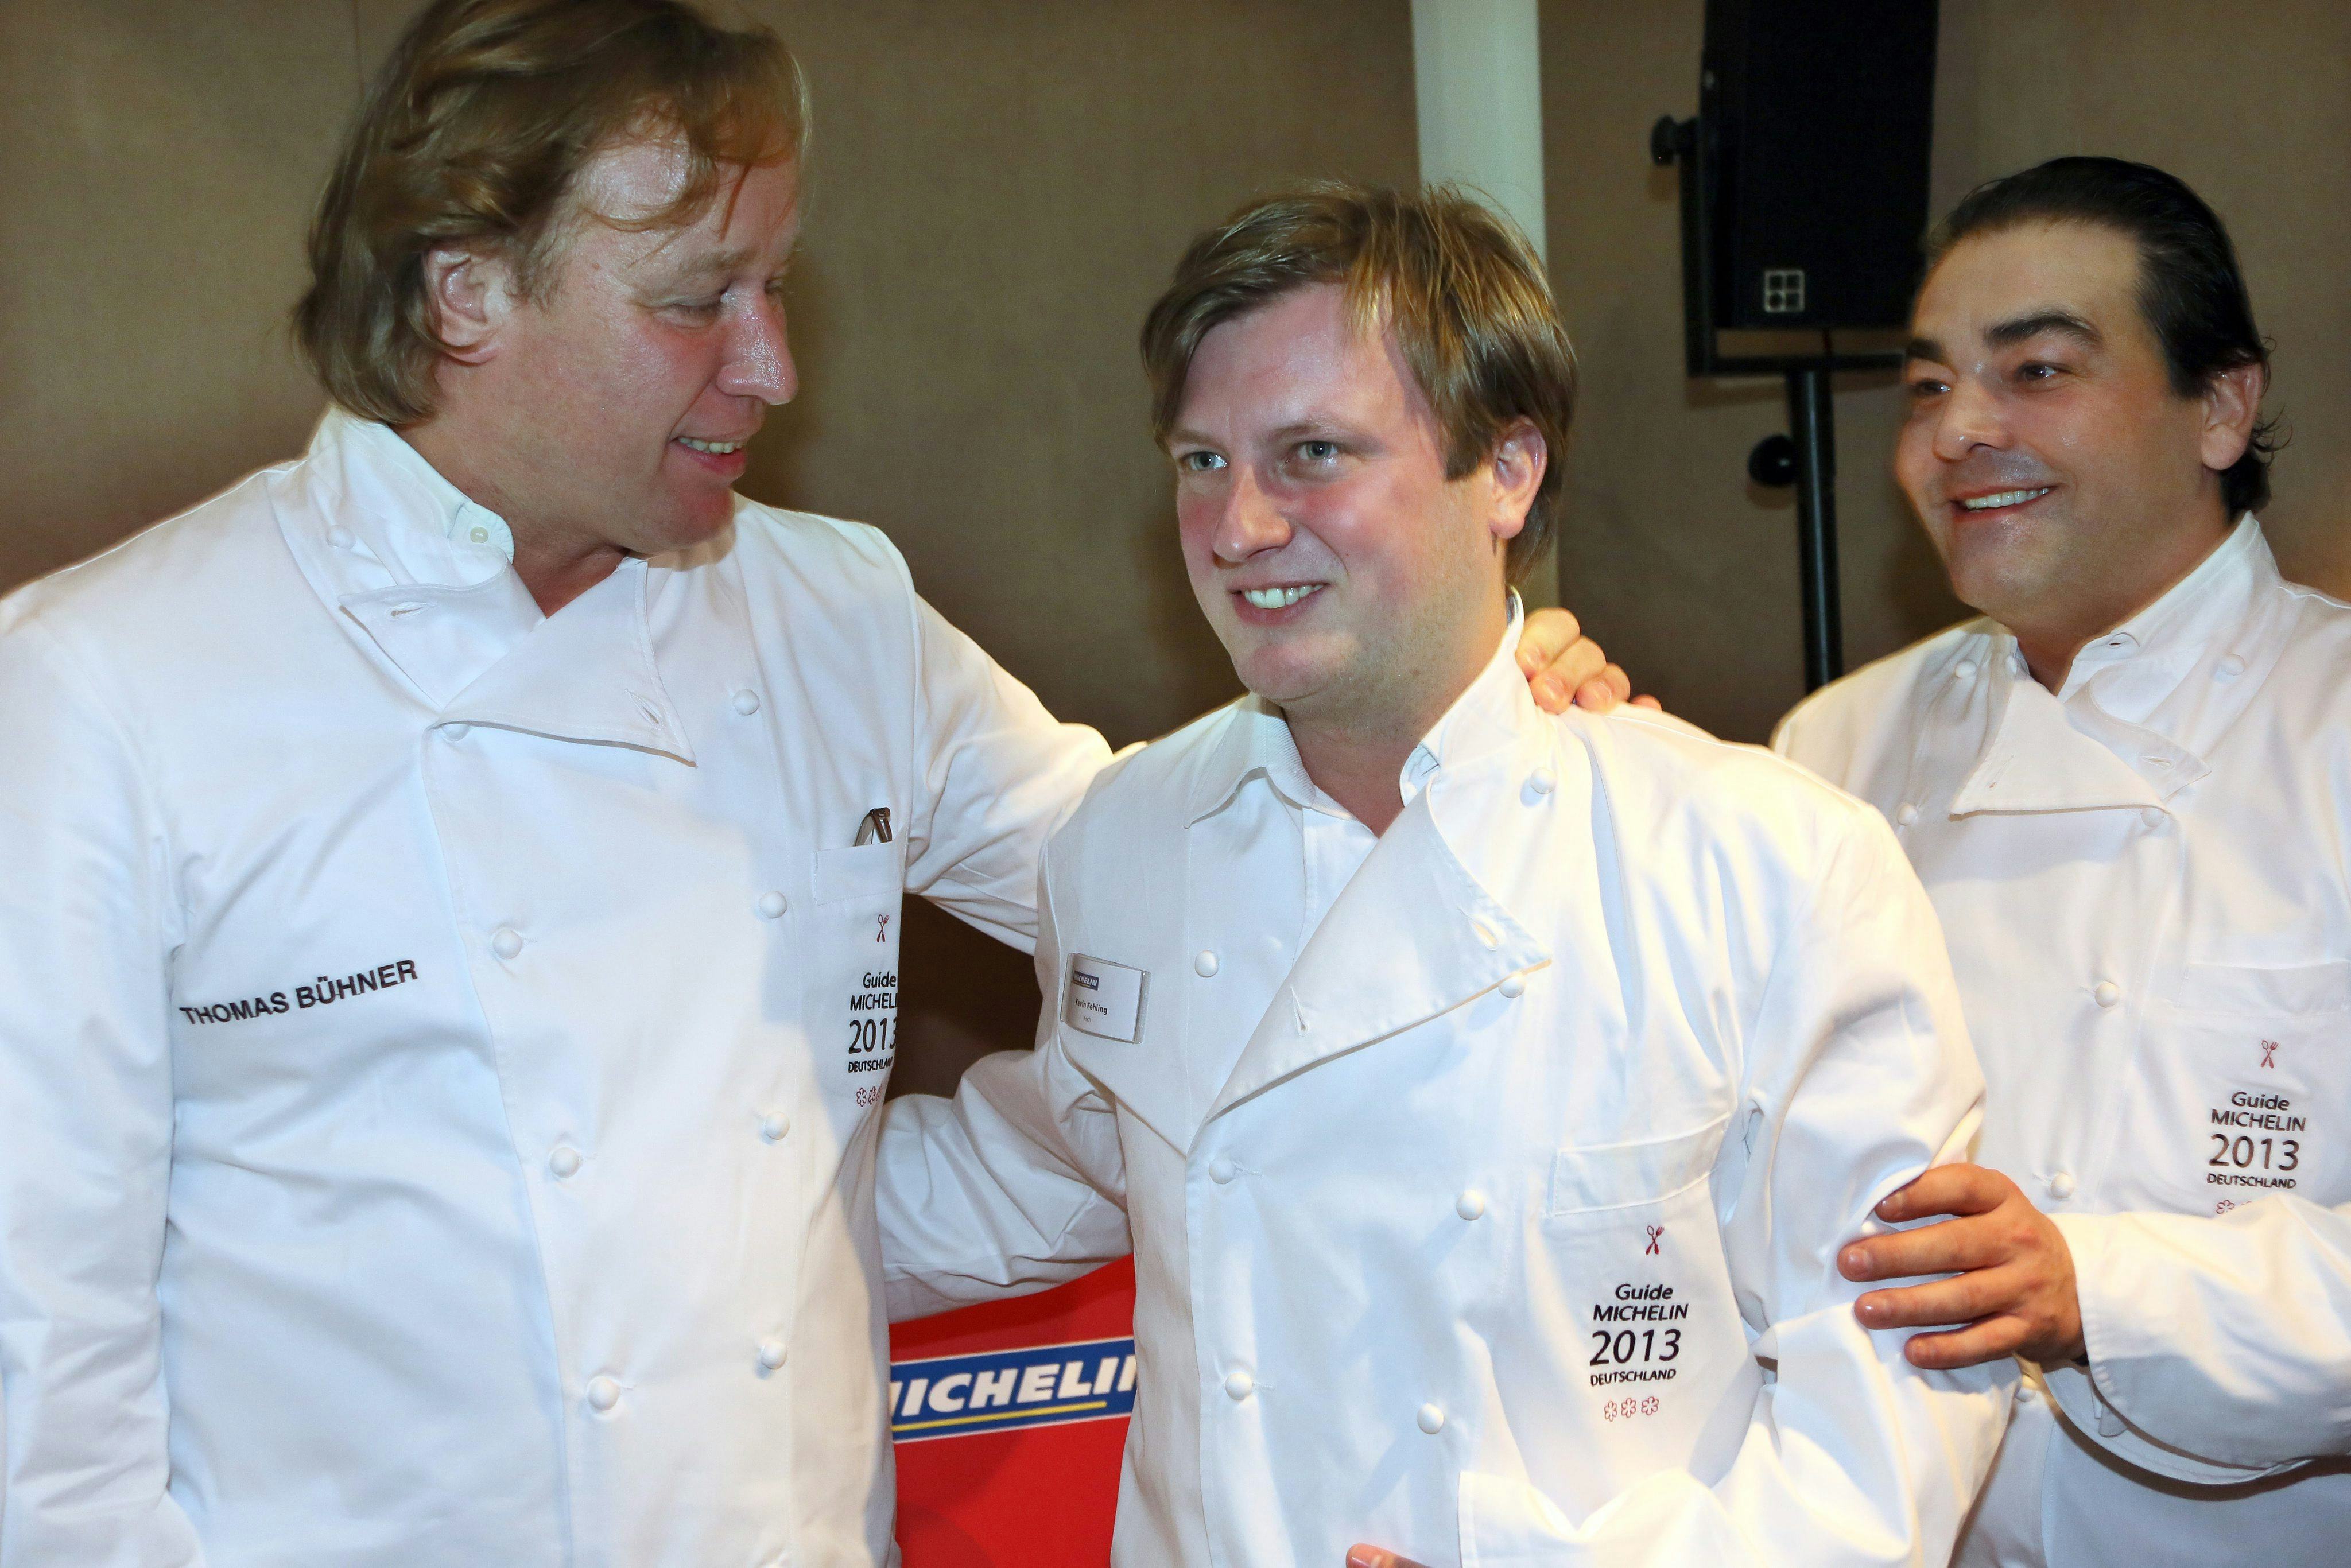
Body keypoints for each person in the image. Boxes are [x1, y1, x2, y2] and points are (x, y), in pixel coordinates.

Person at [0, 4, 1616, 1564]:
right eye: (697, 300)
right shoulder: (106, 686)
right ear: (466, 291)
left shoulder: (830, 613)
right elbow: (40, 1396)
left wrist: (1462, 717)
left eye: (773, 285)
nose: (770, 366)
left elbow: (1183, 889)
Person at [875, 181, 2011, 1567]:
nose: (1236, 526)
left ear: (1507, 471)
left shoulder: (1768, 863)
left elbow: (1889, 1404)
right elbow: (1058, 1161)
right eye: (1199, 461)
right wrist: (677, 1201)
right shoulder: (1125, 837)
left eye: (1310, 454)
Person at [1773, 157, 2351, 1565]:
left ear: (2220, 408)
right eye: (1926, 386)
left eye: (2034, 370)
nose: (1958, 430)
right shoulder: (1831, 748)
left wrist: (2099, 1282)